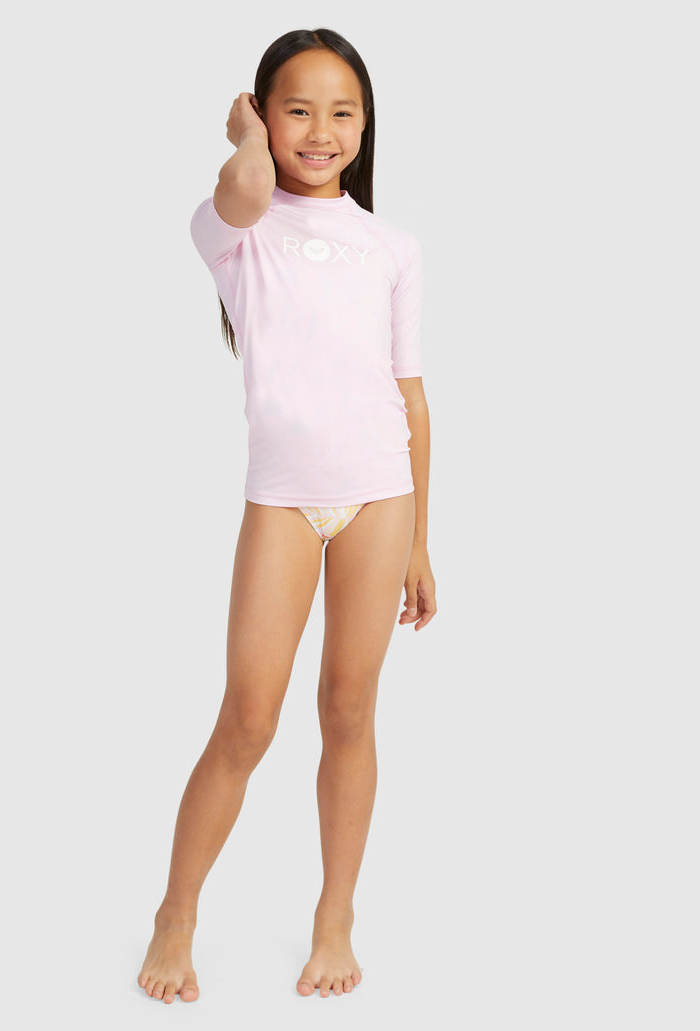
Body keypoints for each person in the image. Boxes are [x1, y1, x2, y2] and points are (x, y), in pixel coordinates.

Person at [137, 26, 436, 1004]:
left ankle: (334, 915)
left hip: (380, 496)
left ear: (367, 123)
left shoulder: (392, 247)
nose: (321, 130)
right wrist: (242, 137)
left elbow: (410, 394)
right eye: (296, 109)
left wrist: (420, 541)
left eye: (342, 112)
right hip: (283, 503)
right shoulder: (235, 228)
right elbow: (244, 187)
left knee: (349, 709)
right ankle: (176, 913)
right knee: (248, 718)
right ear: (262, 115)